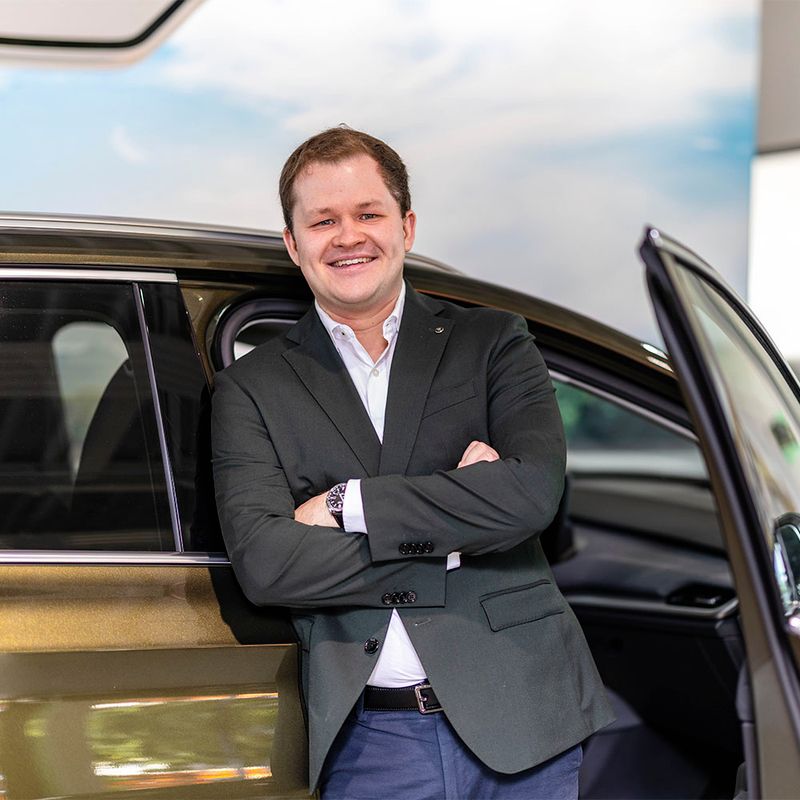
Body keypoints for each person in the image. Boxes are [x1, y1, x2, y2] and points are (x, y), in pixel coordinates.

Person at [211, 127, 613, 799]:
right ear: (293, 243)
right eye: (323, 221)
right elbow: (268, 563)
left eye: (368, 213)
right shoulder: (250, 388)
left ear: (407, 226)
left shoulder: (493, 342)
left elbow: (529, 496)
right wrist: (455, 533)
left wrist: (345, 506)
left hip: (524, 719)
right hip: (372, 745)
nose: (348, 236)